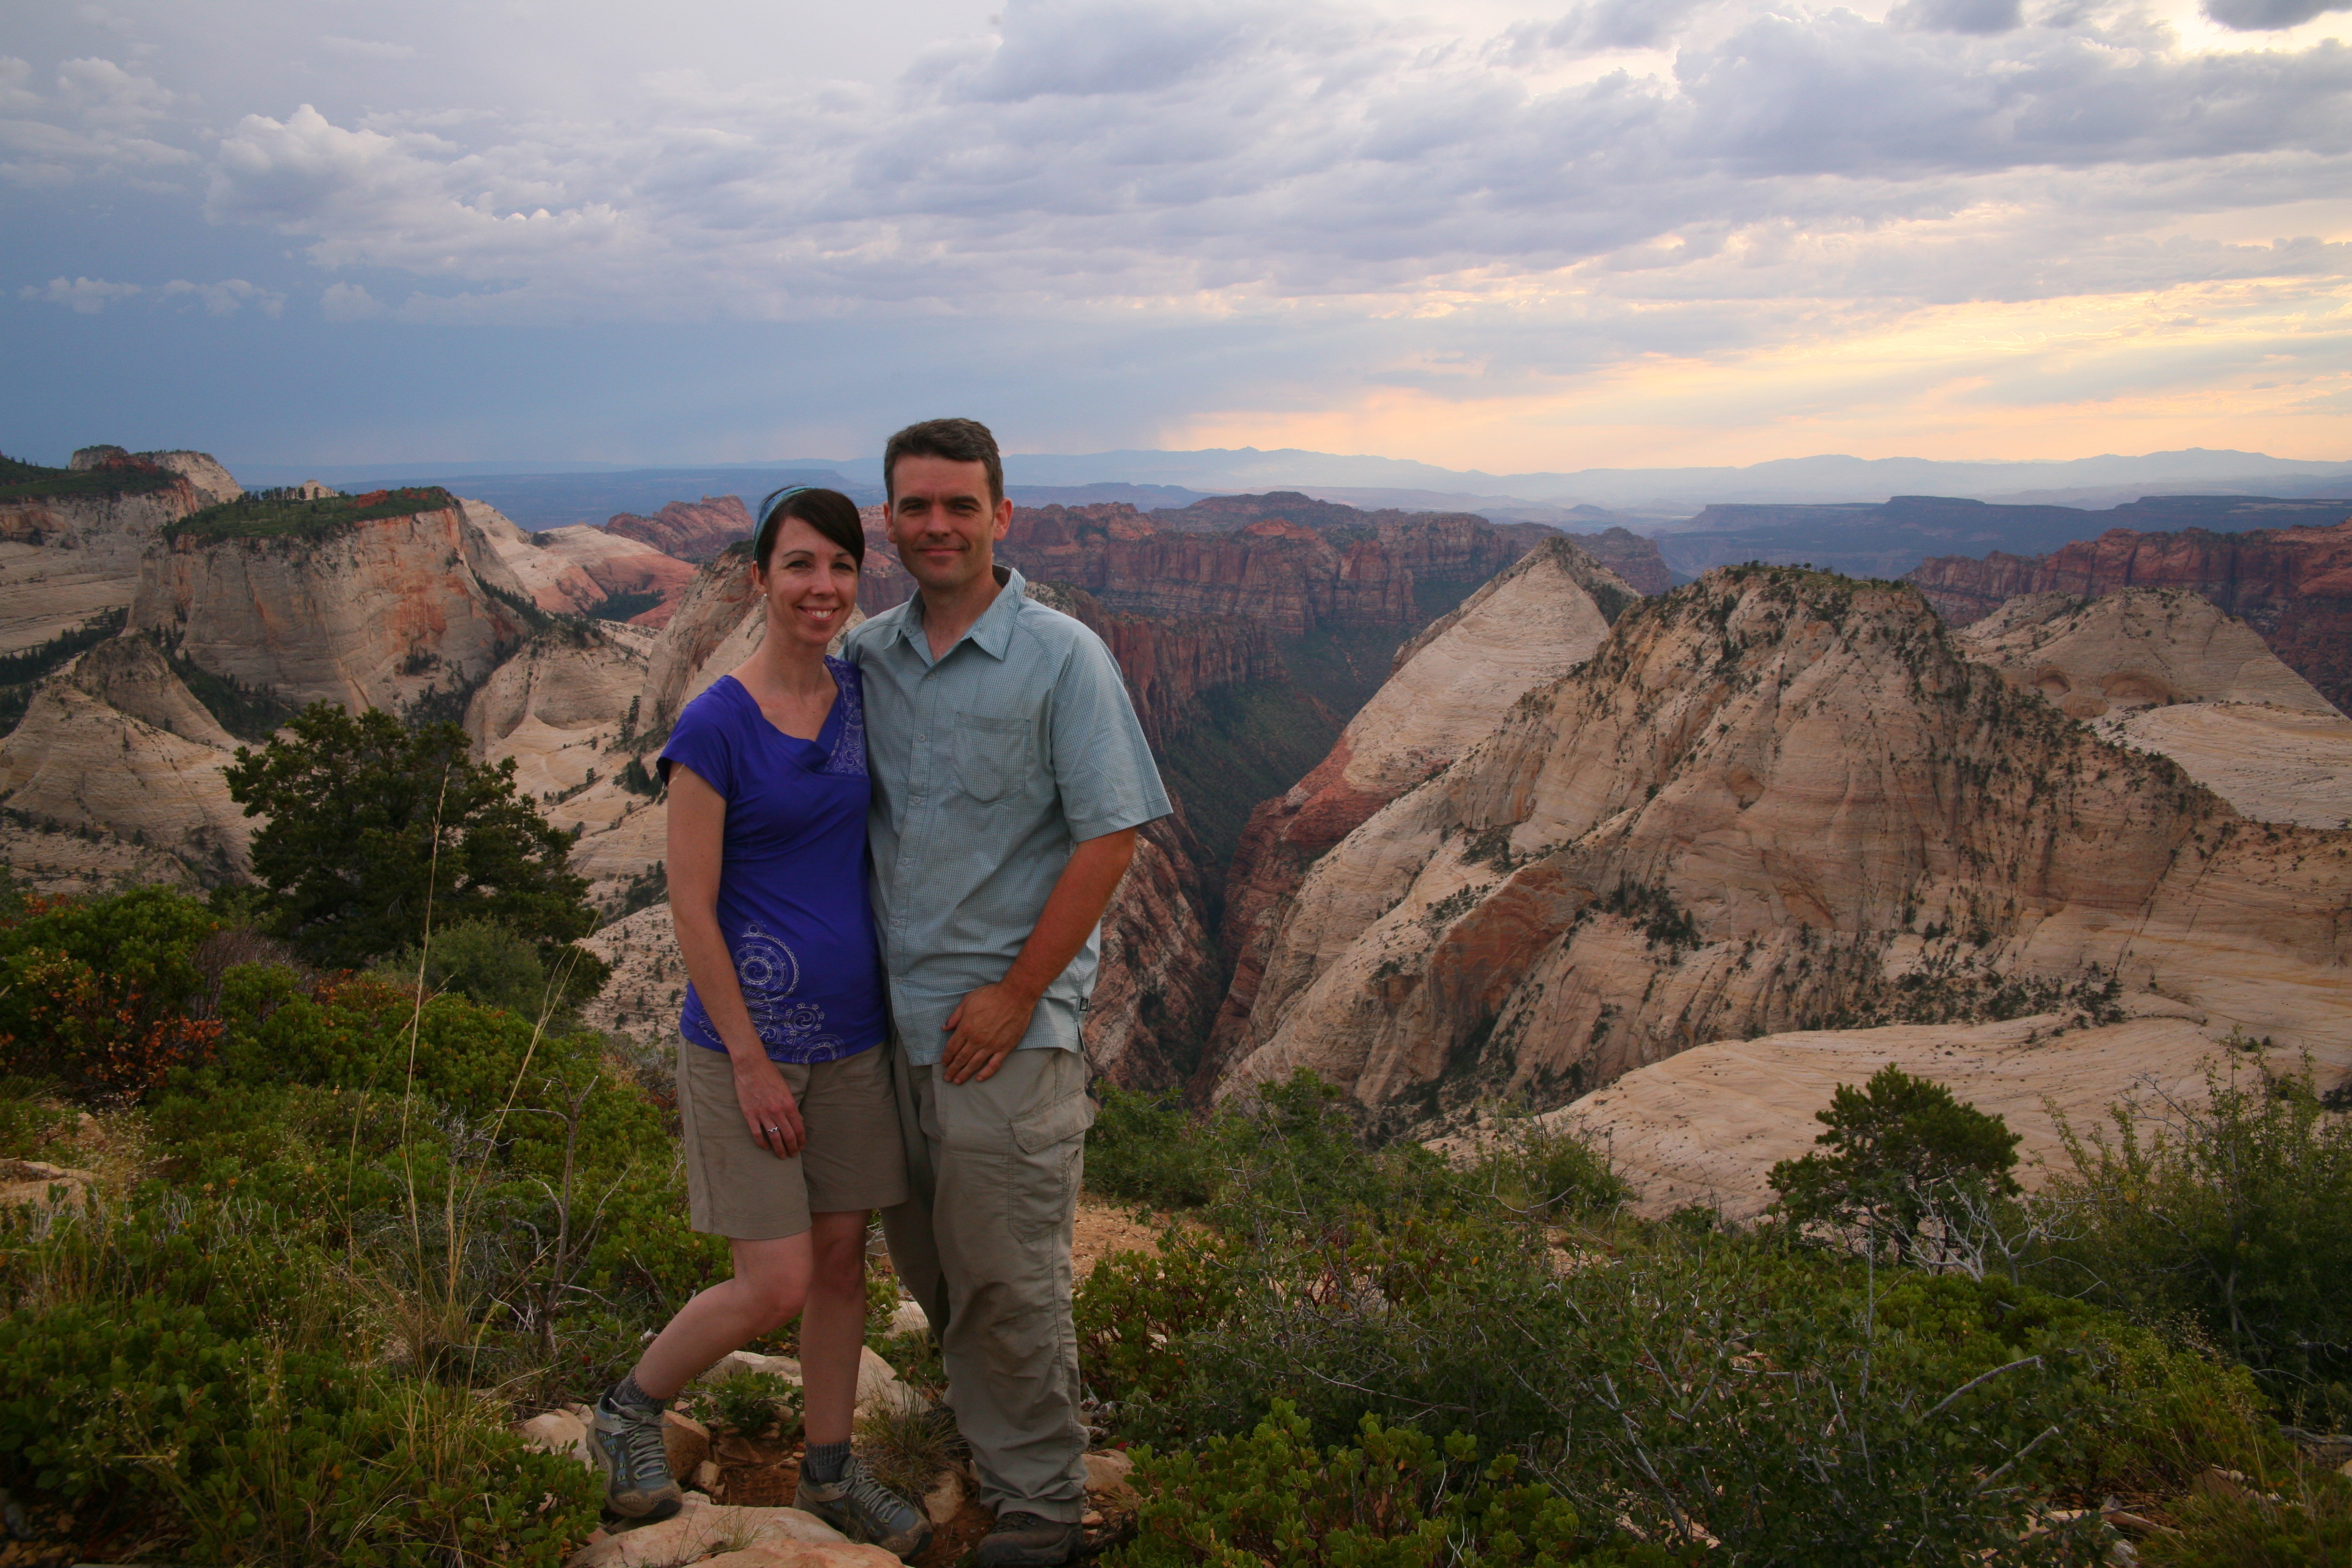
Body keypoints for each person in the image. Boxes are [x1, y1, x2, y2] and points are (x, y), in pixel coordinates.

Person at [845, 418, 1171, 1568]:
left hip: (1004, 1034)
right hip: (888, 1029)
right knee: (933, 1262)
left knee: (1008, 1269)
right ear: (891, 517)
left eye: (959, 505)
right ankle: (995, 1435)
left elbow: (1111, 836)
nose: (937, 525)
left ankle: (1043, 1502)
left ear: (1002, 517)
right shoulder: (869, 655)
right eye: (915, 506)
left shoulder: (1063, 655)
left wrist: (1016, 992)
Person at [585, 486, 931, 1560]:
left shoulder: (858, 696)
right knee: (773, 1278)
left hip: (854, 1038)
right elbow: (689, 906)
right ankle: (630, 1408)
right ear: (760, 579)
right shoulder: (716, 722)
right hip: (749, 1045)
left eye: (839, 566)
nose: (822, 588)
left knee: (838, 1266)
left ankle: (829, 1471)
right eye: (799, 566)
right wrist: (747, 1060)